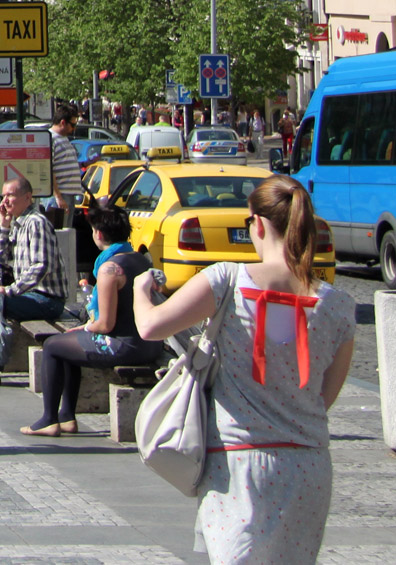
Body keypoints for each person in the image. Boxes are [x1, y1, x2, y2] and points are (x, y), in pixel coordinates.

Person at [134, 175, 354, 565]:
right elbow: (324, 397)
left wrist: (138, 290)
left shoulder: (228, 280)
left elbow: (151, 326)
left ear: (257, 224)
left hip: (239, 463)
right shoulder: (338, 306)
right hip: (308, 464)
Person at [21, 201, 164, 437]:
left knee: (52, 346)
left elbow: (105, 324)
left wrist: (85, 327)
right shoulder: (139, 259)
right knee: (68, 344)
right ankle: (66, 417)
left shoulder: (110, 269)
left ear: (98, 233)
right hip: (148, 344)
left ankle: (49, 419)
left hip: (125, 346)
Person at [0, 175, 74, 385]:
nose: (5, 201)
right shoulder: (18, 222)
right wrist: (4, 225)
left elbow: (41, 267)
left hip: (47, 299)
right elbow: (0, 257)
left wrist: (9, 291)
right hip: (28, 295)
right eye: (4, 195)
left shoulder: (36, 223)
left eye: (11, 195)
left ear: (28, 197)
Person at [49, 113, 84, 229]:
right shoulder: (50, 138)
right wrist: (58, 196)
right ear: (63, 122)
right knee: (60, 233)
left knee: (66, 232)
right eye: (72, 124)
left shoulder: (63, 138)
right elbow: (49, 169)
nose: (73, 129)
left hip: (68, 194)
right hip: (60, 194)